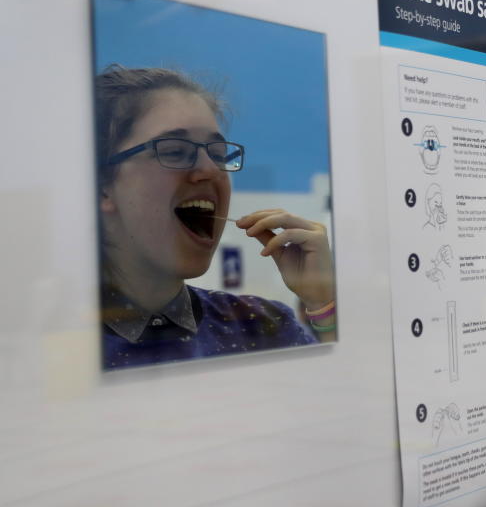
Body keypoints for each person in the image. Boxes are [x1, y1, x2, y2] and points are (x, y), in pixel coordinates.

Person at [96, 65, 336, 370]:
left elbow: (341, 406)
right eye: (174, 151)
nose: (211, 170)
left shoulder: (263, 327)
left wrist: (322, 304)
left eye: (220, 154)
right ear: (104, 186)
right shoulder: (53, 344)